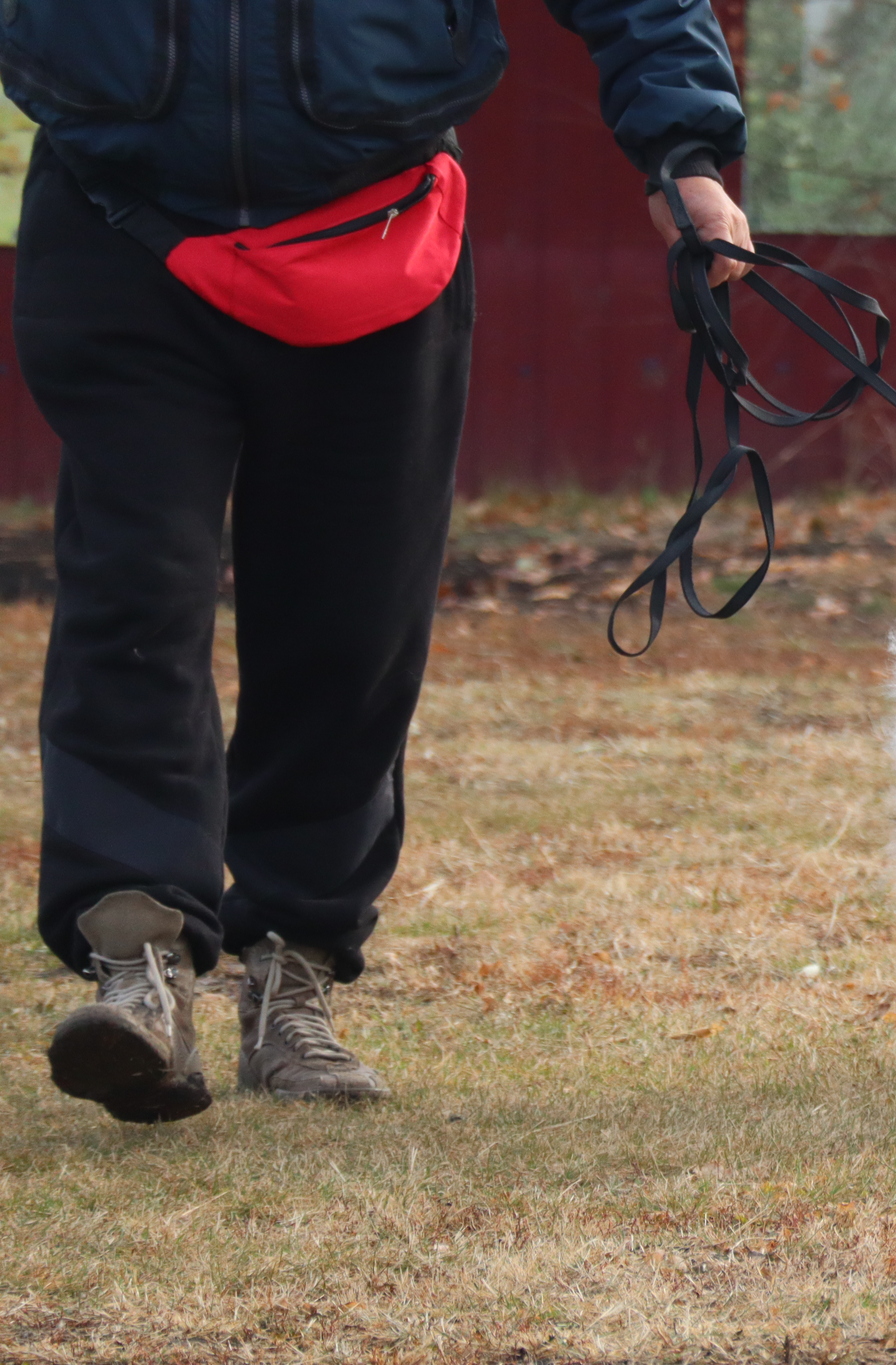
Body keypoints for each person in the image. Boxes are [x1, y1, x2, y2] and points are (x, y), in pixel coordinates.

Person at [4, 0, 751, 1123]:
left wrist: (681, 150)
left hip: (380, 226)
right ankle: (139, 958)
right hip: (119, 216)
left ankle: (292, 962)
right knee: (132, 590)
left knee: (350, 620)